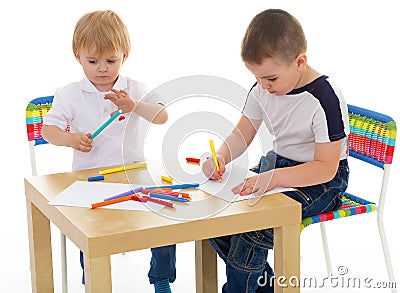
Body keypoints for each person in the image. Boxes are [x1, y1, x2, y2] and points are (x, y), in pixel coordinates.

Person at [202, 9, 349, 293]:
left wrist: (274, 178)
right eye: (257, 78)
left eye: (270, 78)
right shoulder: (262, 89)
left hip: (322, 182)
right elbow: (240, 134)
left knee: (251, 229)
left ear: (300, 62)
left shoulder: (324, 99)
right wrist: (220, 157)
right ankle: (265, 288)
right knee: (215, 217)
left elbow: (326, 168)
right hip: (279, 167)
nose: (264, 87)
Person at [42, 10, 175, 293]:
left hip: (134, 175)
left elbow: (162, 116)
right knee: (87, 229)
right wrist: (72, 139)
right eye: (92, 61)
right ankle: (92, 280)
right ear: (78, 57)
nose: (102, 68)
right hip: (89, 182)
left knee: (165, 216)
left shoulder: (135, 89)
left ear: (124, 55)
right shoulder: (69, 94)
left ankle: (161, 278)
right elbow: (48, 131)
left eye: (110, 60)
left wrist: (134, 106)